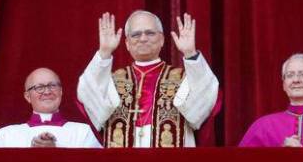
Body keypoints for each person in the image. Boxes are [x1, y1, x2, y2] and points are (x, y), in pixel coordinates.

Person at [77, 10, 219, 147]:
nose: (143, 38)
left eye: (150, 33)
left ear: (162, 39)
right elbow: (88, 98)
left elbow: (205, 102)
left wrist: (190, 54)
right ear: (127, 43)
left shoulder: (184, 79)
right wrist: (104, 53)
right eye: (136, 34)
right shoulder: (111, 82)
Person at [0, 68, 101, 148]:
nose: (47, 92)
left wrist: (57, 150)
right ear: (27, 96)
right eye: (39, 87)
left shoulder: (83, 132)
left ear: (61, 92)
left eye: (52, 86)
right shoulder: (6, 135)